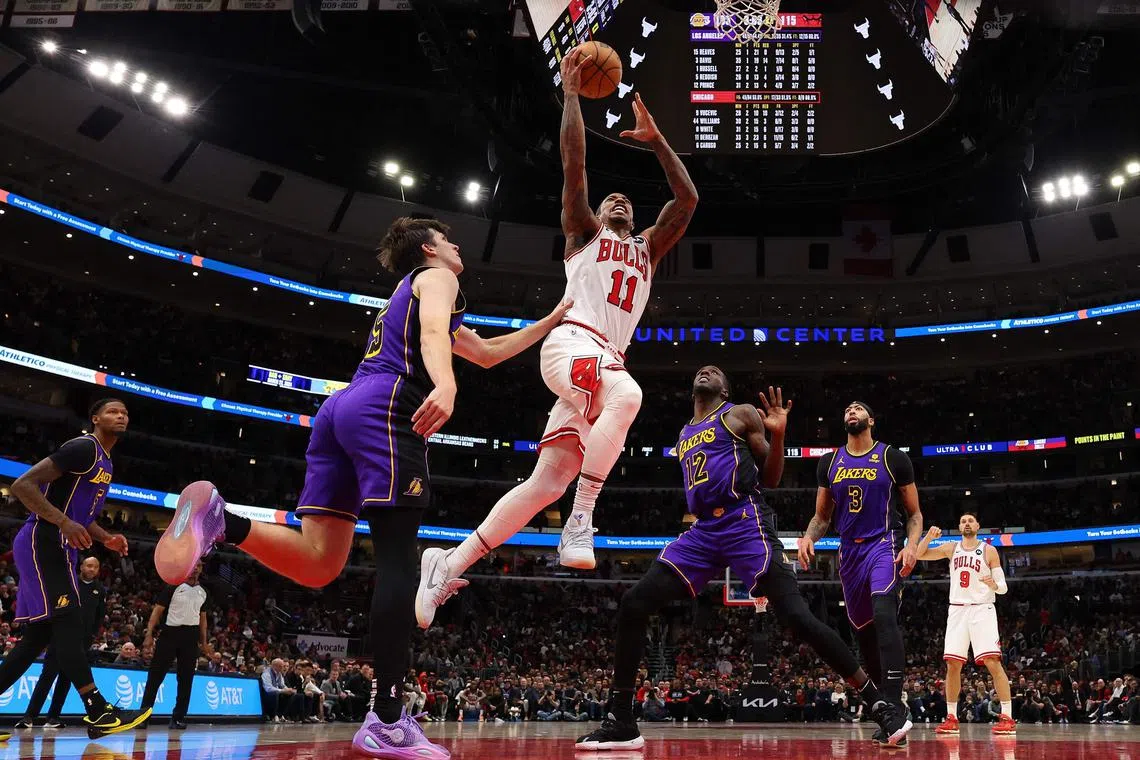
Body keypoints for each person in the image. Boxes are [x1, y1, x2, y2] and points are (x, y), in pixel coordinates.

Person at [153, 217, 570, 758]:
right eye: (448, 239)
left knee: (320, 562)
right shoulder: (437, 277)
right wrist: (445, 384)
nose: (456, 245)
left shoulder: (405, 294)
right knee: (398, 561)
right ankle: (388, 719)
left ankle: (222, 521)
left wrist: (552, 320)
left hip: (342, 409)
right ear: (428, 248)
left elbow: (487, 353)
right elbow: (432, 337)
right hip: (387, 406)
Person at [416, 43, 700, 627]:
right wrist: (571, 94)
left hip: (603, 361)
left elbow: (688, 199)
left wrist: (657, 142)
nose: (618, 199)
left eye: (627, 201)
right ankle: (582, 518)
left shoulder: (648, 248)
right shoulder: (584, 234)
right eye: (611, 198)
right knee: (629, 396)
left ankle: (448, 563)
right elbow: (575, 168)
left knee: (547, 481)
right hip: (571, 342)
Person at [574, 367, 911, 750]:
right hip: (703, 530)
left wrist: (778, 435)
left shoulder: (739, 414)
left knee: (797, 617)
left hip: (745, 521)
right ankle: (621, 720)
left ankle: (878, 703)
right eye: (702, 370)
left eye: (715, 372)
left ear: (725, 389)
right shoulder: (684, 432)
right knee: (635, 602)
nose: (706, 371)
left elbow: (772, 478)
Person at [0, 399, 149, 740]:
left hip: (59, 545)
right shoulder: (84, 448)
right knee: (69, 621)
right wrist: (64, 522)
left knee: (37, 638)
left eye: (125, 412)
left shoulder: (106, 462)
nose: (121, 416)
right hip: (42, 540)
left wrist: (106, 538)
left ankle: (98, 712)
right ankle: (98, 710)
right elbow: (23, 485)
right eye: (113, 411)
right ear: (95, 418)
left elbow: (83, 517)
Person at [800, 401, 922, 742]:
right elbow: (822, 517)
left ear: (871, 419)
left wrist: (912, 545)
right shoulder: (829, 462)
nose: (851, 410)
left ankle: (894, 707)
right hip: (849, 551)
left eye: (858, 408)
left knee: (884, 613)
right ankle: (887, 714)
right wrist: (808, 537)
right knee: (864, 633)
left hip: (884, 542)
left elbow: (914, 514)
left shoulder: (892, 458)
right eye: (847, 409)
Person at [917, 515, 1016, 735]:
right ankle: (951, 717)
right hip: (957, 610)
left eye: (971, 520)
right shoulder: (951, 548)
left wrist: (994, 584)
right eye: (963, 521)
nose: (967, 523)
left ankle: (1008, 717)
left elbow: (1003, 587)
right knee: (952, 664)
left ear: (978, 526)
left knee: (992, 662)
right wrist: (928, 537)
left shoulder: (989, 550)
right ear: (959, 527)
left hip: (982, 609)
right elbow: (919, 554)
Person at [16, 556, 105, 730]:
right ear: (81, 567)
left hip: (81, 641)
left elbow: (99, 616)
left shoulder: (100, 590)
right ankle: (29, 716)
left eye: (95, 567)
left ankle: (53, 717)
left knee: (66, 680)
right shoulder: (70, 584)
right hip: (61, 638)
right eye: (89, 565)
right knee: (47, 675)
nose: (92, 569)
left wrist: (92, 636)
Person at [138, 561, 214, 729]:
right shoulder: (173, 586)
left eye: (199, 566)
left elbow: (203, 619)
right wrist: (149, 634)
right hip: (169, 634)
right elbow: (157, 611)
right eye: (193, 565)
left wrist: (204, 642)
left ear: (201, 569)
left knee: (186, 679)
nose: (195, 568)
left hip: (190, 637)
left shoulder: (204, 592)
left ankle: (178, 718)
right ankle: (143, 717)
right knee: (155, 677)